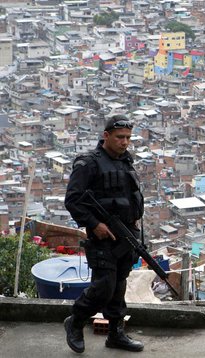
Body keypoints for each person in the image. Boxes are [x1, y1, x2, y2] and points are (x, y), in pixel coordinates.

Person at [63, 115, 145, 353]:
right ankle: (76, 321)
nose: (125, 142)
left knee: (119, 286)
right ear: (106, 136)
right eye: (120, 137)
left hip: (126, 235)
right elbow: (73, 200)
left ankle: (116, 334)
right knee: (104, 287)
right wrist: (94, 224)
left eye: (128, 138)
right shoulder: (89, 163)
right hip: (102, 237)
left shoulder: (125, 161)